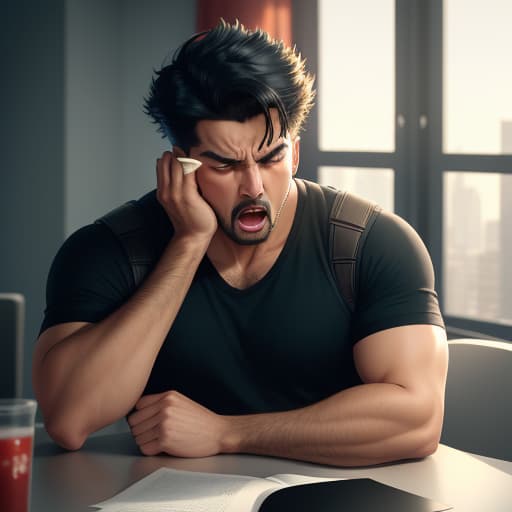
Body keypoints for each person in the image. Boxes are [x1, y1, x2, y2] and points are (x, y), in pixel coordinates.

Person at [33, 20, 448, 467]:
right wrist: (188, 243)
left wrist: (226, 433)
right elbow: (68, 419)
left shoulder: (372, 242)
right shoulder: (107, 250)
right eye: (226, 164)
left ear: (295, 152)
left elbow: (417, 419)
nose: (254, 186)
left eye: (271, 157)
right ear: (180, 166)